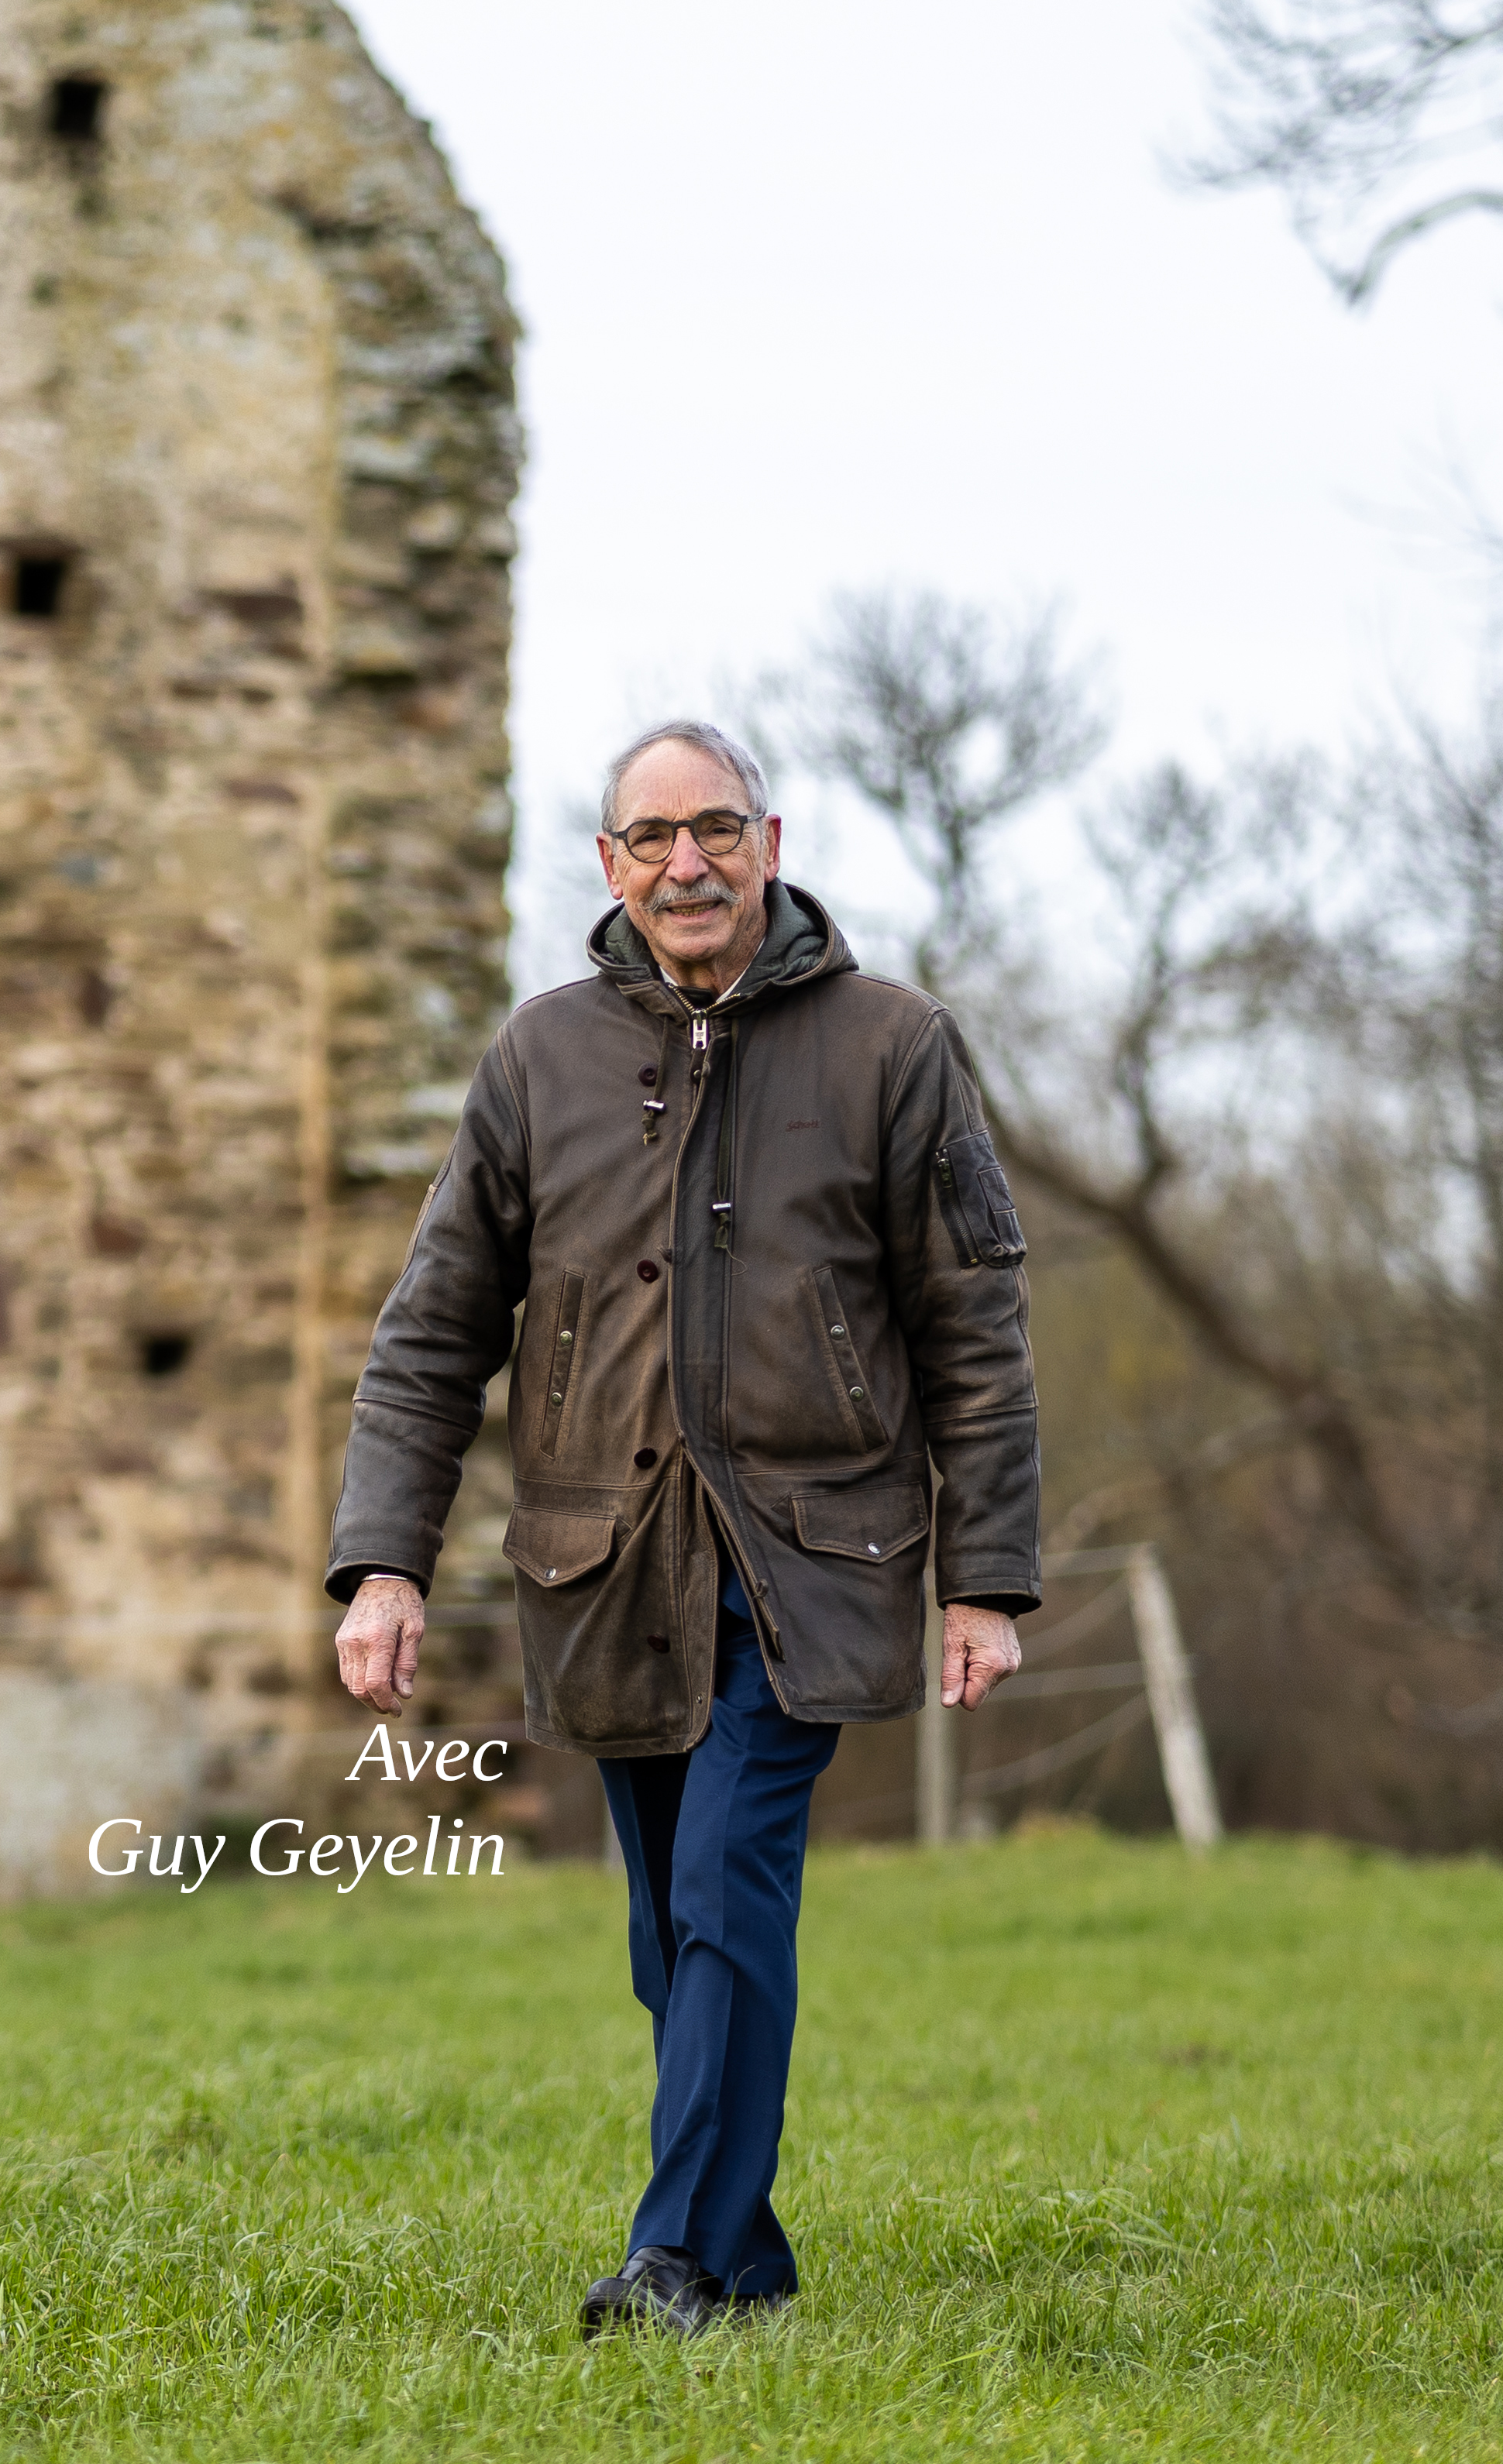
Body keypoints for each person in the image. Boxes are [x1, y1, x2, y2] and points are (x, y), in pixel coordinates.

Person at [326, 719, 1040, 2335]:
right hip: (602, 1566)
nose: (686, 864)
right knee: (670, 1931)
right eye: (649, 839)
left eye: (713, 829)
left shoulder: (891, 1045)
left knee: (724, 1879)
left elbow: (973, 1327)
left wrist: (985, 1578)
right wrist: (383, 1561)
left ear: (770, 843)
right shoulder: (538, 1058)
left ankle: (670, 2263)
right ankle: (750, 2262)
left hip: (809, 1564)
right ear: (608, 865)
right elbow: (433, 1329)